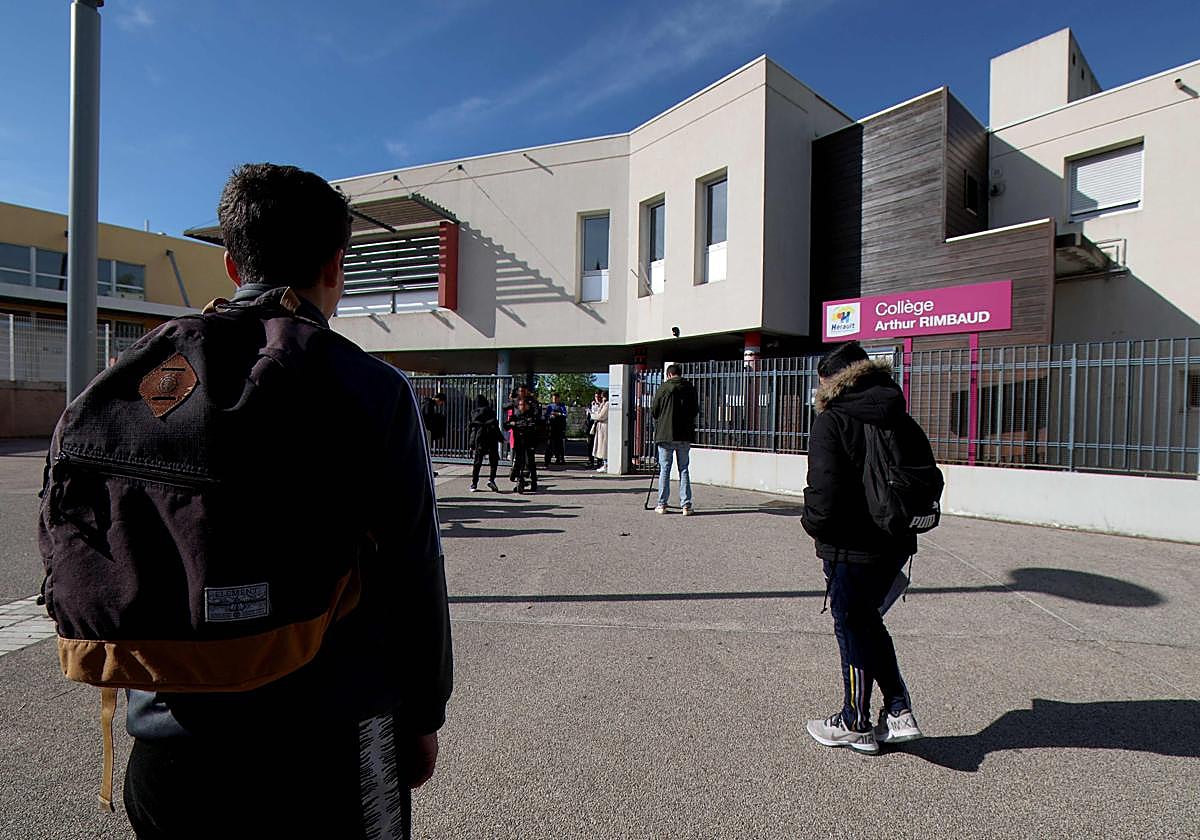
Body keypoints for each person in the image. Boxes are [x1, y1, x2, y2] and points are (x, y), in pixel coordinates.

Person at [120, 164, 453, 837]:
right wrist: (422, 716)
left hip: (170, 735)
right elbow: (414, 566)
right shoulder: (371, 388)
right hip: (330, 730)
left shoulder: (155, 378)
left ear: (231, 264)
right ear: (336, 266)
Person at [801, 340, 924, 755]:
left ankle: (856, 720)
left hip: (849, 546)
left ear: (831, 382)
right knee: (867, 621)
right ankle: (898, 709)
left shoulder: (832, 420)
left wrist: (812, 525)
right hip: (894, 540)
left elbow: (824, 492)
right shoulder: (898, 413)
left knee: (852, 625)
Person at [650, 364, 699, 515]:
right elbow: (695, 410)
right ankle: (686, 505)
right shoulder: (689, 388)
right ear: (679, 374)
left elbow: (654, 411)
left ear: (668, 375)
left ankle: (662, 504)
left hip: (665, 434)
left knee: (665, 469)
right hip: (684, 434)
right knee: (683, 469)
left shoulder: (663, 388)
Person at [505, 396, 541, 492]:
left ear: (528, 406)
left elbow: (536, 426)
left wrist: (528, 425)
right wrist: (511, 424)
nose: (522, 407)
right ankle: (519, 481)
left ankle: (534, 482)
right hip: (519, 443)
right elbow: (506, 425)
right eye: (520, 405)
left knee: (530, 462)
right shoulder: (516, 416)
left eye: (524, 405)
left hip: (529, 442)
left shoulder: (532, 415)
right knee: (518, 462)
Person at [468, 394, 502, 492]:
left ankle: (474, 484)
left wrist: (471, 444)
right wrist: (500, 437)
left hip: (479, 438)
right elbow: (495, 426)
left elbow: (473, 429)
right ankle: (491, 479)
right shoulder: (491, 411)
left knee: (477, 462)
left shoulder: (474, 413)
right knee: (493, 461)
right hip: (491, 438)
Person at [421, 391, 447, 476]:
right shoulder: (429, 405)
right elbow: (428, 417)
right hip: (426, 430)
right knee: (427, 451)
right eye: (441, 402)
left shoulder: (426, 403)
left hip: (424, 429)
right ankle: (427, 471)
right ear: (438, 399)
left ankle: (427, 470)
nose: (440, 404)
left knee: (426, 451)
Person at [543, 392, 568, 466]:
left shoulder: (562, 406)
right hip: (551, 427)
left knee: (559, 444)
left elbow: (564, 414)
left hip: (559, 428)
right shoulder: (550, 406)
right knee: (550, 444)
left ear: (559, 398)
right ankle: (547, 459)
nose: (555, 400)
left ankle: (560, 458)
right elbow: (546, 415)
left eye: (556, 398)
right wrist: (550, 415)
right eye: (553, 398)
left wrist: (558, 414)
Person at [589, 391, 609, 471]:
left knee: (604, 446)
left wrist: (592, 415)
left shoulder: (607, 404)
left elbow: (601, 416)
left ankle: (606, 464)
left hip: (604, 427)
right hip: (601, 428)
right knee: (601, 445)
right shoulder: (604, 404)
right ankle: (604, 463)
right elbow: (598, 412)